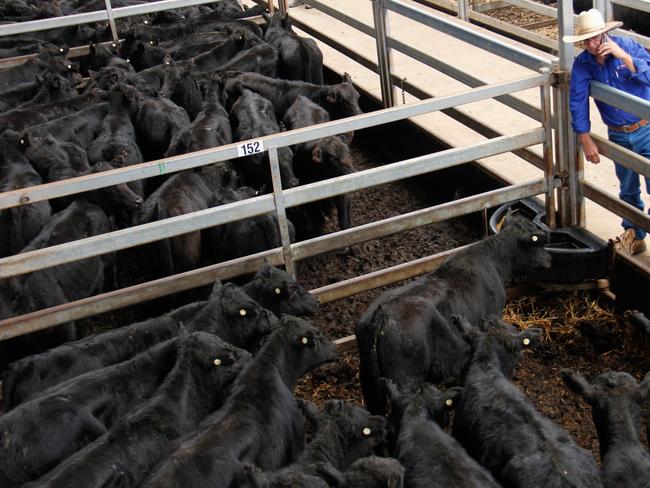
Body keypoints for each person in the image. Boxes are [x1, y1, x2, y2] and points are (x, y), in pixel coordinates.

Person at [564, 8, 650, 256]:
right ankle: (634, 234)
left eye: (596, 37)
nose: (592, 44)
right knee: (628, 187)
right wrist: (584, 136)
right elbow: (577, 99)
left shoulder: (627, 46)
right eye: (586, 39)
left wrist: (622, 56)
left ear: (605, 33)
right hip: (618, 133)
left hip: (646, 126)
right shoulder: (583, 64)